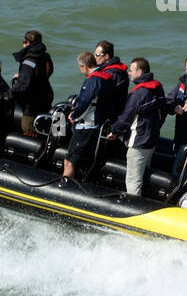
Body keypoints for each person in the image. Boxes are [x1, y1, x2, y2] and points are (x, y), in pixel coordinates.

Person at [108, 58, 167, 197]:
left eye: (131, 70)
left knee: (133, 179)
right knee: (143, 173)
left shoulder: (138, 93)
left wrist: (114, 130)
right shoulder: (158, 88)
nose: (129, 73)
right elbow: (163, 111)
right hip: (152, 139)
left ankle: (132, 207)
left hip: (138, 140)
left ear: (139, 72)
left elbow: (126, 117)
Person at [63, 52, 102, 180]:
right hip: (95, 124)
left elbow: (86, 103)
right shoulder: (104, 77)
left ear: (84, 66)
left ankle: (65, 188)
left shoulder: (92, 81)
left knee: (69, 161)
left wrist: (74, 116)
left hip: (85, 127)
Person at [10, 30, 54, 134]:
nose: (23, 44)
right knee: (41, 130)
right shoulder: (45, 58)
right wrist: (23, 76)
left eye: (23, 42)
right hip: (45, 98)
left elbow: (22, 87)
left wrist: (7, 95)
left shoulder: (29, 61)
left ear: (28, 43)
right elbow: (43, 74)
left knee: (29, 131)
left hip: (32, 106)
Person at [91, 40, 128, 128]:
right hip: (117, 111)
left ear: (106, 56)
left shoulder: (110, 73)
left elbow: (100, 96)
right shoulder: (118, 69)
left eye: (97, 55)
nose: (94, 57)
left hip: (110, 116)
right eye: (94, 54)